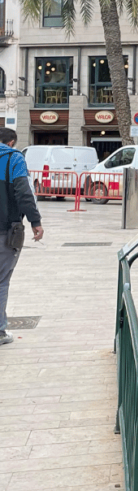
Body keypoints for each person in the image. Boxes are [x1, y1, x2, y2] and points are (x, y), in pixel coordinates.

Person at [0, 127, 43, 346]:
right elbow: (24, 193)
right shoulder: (13, 159)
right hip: (4, 229)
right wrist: (35, 221)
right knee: (1, 279)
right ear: (10, 142)